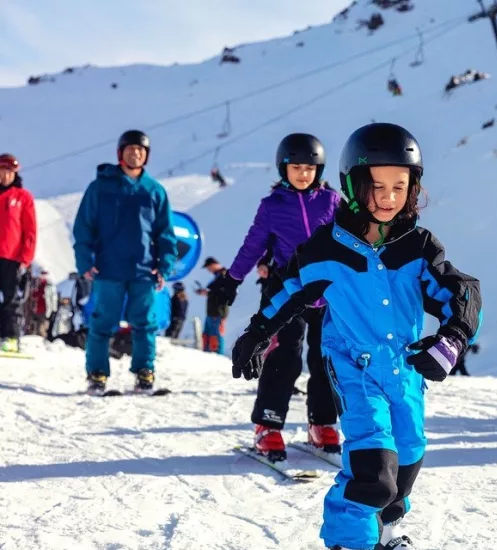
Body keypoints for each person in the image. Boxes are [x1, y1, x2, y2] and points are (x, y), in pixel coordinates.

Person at [230, 122, 481, 550]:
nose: (387, 197)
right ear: (351, 185)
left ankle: (385, 530)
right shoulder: (326, 249)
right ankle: (349, 540)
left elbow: (461, 292)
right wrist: (256, 334)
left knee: (408, 457)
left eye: (399, 186)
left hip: (404, 371)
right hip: (354, 368)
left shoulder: (417, 246)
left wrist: (453, 338)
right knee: (373, 469)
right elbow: (287, 291)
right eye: (375, 185)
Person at [208, 133, 342, 460]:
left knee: (326, 356)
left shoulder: (331, 201)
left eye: (309, 168)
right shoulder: (273, 206)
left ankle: (322, 422)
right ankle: (268, 425)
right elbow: (253, 245)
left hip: (327, 291)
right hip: (286, 289)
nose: (303, 174)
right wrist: (232, 279)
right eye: (295, 167)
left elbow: (348, 240)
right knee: (285, 356)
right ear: (283, 168)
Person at [73, 130, 176, 395]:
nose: (136, 154)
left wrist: (164, 265)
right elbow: (84, 227)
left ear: (147, 155)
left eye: (141, 150)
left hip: (143, 269)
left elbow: (165, 233)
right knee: (102, 324)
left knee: (145, 324)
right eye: (130, 149)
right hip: (108, 269)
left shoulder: (154, 190)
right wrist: (85, 262)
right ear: (120, 154)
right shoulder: (101, 187)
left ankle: (144, 373)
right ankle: (96, 375)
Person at [0, 153, 37, 353]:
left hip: (12, 256)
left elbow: (30, 229)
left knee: (11, 298)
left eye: (9, 172)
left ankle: (11, 337)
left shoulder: (23, 197)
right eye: (2, 171)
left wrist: (26, 257)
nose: (5, 176)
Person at [194, 257, 229, 354]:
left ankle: (218, 355)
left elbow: (224, 293)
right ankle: (208, 354)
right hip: (212, 311)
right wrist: (207, 292)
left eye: (208, 267)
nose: (208, 270)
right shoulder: (218, 276)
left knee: (216, 335)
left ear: (213, 264)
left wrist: (208, 292)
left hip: (218, 312)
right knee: (207, 335)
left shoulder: (224, 275)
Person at [28, 269, 57, 337]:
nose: (43, 276)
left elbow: (53, 298)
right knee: (33, 324)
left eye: (45, 274)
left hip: (44, 308)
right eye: (42, 274)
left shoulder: (49, 286)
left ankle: (42, 338)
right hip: (35, 308)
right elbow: (33, 294)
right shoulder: (36, 283)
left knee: (42, 326)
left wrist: (54, 309)